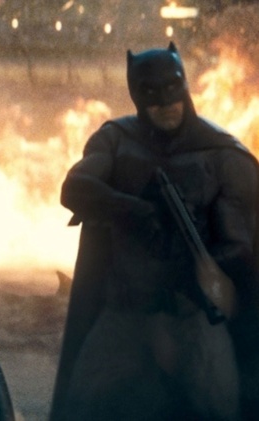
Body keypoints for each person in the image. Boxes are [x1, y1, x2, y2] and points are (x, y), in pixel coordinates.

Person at [50, 42, 259, 420]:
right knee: (84, 405)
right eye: (152, 95)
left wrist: (199, 266)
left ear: (184, 88)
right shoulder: (116, 141)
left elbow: (242, 247)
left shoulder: (222, 155)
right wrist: (132, 208)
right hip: (127, 311)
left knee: (220, 406)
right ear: (137, 96)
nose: (165, 104)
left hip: (194, 315)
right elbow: (75, 188)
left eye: (172, 91)